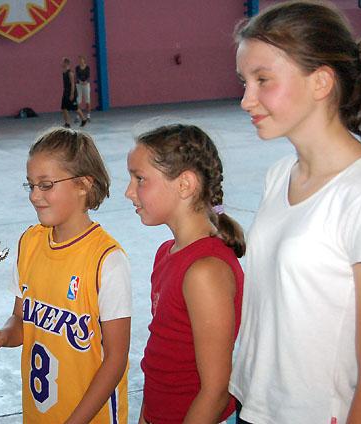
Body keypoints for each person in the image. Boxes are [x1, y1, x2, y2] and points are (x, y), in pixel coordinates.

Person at [231, 2, 361, 423]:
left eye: (263, 81)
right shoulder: (279, 177)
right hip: (254, 403)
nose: (245, 100)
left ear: (321, 82)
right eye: (244, 82)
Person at [0, 127, 132, 423]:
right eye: (30, 185)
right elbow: (21, 319)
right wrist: (4, 335)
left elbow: (116, 359)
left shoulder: (107, 261)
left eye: (46, 185)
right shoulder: (29, 243)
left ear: (83, 184)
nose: (34, 196)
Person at [126, 124, 245, 424]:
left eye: (140, 179)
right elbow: (160, 360)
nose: (129, 192)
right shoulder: (167, 253)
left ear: (184, 185)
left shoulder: (205, 272)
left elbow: (215, 391)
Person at [61, 57, 87, 128]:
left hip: (71, 93)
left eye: (62, 62)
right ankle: (67, 123)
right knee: (64, 108)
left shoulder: (70, 73)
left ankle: (84, 120)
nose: (61, 63)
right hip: (65, 92)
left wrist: (72, 94)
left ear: (66, 63)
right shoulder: (64, 72)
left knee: (75, 108)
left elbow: (73, 84)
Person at [75, 55, 91, 122]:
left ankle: (88, 116)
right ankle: (78, 116)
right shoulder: (77, 67)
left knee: (87, 100)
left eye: (82, 59)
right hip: (79, 85)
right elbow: (77, 76)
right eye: (79, 59)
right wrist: (80, 81)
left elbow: (88, 76)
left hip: (86, 85)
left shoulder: (87, 67)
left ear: (84, 60)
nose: (80, 61)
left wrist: (86, 81)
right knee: (78, 101)